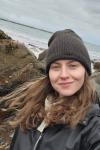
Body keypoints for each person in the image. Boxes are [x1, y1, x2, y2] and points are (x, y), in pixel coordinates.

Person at [2, 29, 100, 150]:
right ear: (48, 73)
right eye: (56, 67)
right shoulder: (29, 109)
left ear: (85, 72)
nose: (64, 75)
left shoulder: (93, 126)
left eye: (73, 66)